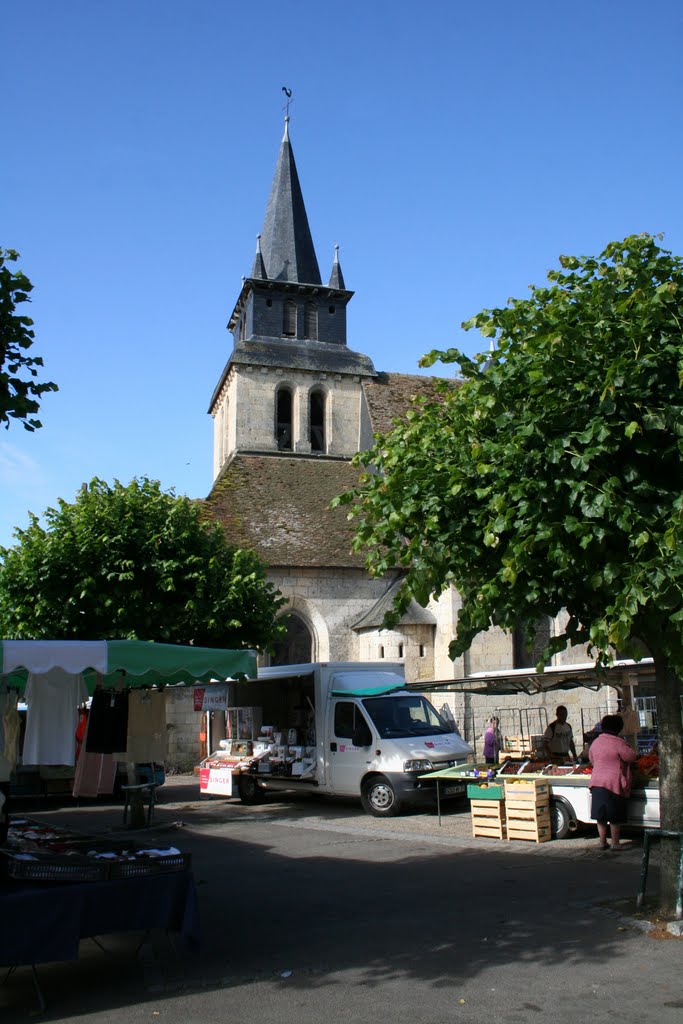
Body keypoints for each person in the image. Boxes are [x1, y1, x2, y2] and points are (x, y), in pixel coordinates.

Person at [589, 714, 637, 850]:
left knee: (601, 815)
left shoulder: (596, 742)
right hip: (613, 783)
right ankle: (615, 843)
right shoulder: (618, 742)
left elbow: (592, 759)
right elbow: (631, 757)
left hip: (597, 781)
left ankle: (602, 842)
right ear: (618, 728)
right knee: (615, 815)